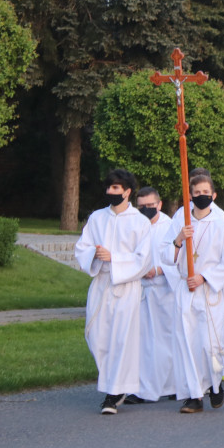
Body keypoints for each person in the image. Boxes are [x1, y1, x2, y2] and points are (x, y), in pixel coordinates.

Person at [75, 169, 152, 415]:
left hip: (126, 286)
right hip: (101, 283)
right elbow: (82, 247)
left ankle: (114, 392)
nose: (111, 191)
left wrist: (115, 258)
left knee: (121, 339)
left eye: (116, 188)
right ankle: (113, 384)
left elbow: (144, 259)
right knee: (96, 336)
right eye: (109, 187)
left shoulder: (140, 222)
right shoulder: (97, 218)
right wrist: (94, 254)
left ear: (127, 192)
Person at [162, 174, 224, 414]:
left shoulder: (221, 226)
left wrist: (204, 276)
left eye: (206, 192)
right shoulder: (181, 221)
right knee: (187, 342)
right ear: (190, 196)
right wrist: (179, 239)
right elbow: (165, 256)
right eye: (197, 193)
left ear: (213, 195)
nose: (201, 196)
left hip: (208, 291)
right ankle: (194, 395)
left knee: (209, 343)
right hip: (186, 289)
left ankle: (214, 385)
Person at [131, 186, 179, 403]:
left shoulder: (170, 226)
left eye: (150, 205)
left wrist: (158, 270)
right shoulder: (134, 225)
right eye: (141, 206)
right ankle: (142, 389)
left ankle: (171, 386)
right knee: (141, 342)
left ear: (159, 204)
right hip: (140, 291)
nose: (146, 210)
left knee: (164, 340)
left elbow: (179, 258)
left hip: (164, 290)